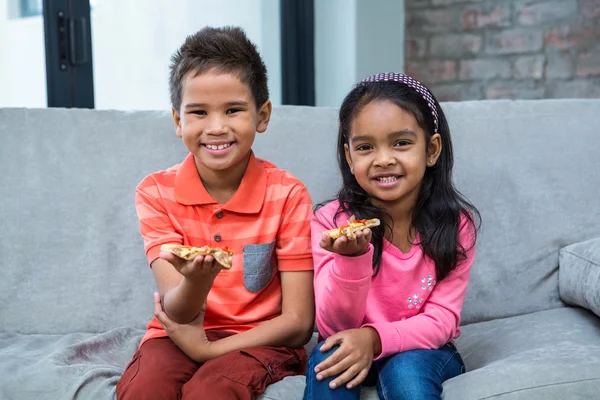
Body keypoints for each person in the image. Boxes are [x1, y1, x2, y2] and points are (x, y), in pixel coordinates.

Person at [116, 26, 315, 400]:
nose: (217, 127)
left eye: (234, 110)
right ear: (179, 121)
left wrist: (208, 351)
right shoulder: (155, 192)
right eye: (199, 112)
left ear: (262, 114)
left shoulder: (287, 194)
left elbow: (299, 323)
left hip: (260, 341)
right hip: (177, 333)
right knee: (145, 389)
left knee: (213, 390)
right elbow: (176, 310)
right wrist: (196, 280)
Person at [303, 72, 480, 400]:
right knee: (329, 359)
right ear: (350, 157)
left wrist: (375, 338)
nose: (383, 159)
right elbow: (333, 327)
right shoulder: (330, 223)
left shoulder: (456, 226)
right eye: (366, 147)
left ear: (432, 149)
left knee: (405, 372)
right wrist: (352, 260)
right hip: (351, 341)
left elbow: (442, 320)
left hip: (424, 349)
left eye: (401, 143)